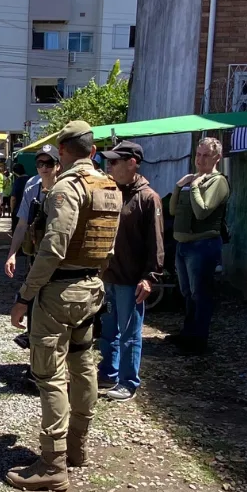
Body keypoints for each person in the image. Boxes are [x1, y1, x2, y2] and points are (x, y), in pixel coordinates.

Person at [7, 121, 121, 491]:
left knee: (50, 374)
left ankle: (53, 463)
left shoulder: (66, 189)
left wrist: (25, 295)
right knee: (83, 363)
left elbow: (52, 247)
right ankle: (77, 448)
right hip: (91, 288)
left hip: (59, 292)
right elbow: (108, 246)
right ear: (92, 148)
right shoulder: (108, 187)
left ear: (64, 150)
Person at [97, 141, 164, 402]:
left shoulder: (148, 198)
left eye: (114, 162)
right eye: (109, 162)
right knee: (108, 329)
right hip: (110, 276)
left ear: (132, 163)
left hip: (131, 279)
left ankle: (128, 381)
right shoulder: (113, 191)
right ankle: (108, 372)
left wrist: (150, 277)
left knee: (129, 333)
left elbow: (156, 243)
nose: (109, 166)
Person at [169, 137, 230, 355]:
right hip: (183, 245)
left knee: (200, 294)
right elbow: (174, 211)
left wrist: (194, 187)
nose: (200, 159)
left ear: (216, 158)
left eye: (206, 155)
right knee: (186, 293)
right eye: (198, 154)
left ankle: (198, 340)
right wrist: (179, 186)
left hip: (202, 245)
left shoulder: (218, 181)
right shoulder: (192, 179)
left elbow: (202, 211)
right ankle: (188, 333)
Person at [3, 144, 60, 349]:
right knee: (33, 301)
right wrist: (11, 254)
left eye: (49, 163)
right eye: (40, 163)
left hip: (60, 258)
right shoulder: (31, 187)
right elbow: (21, 224)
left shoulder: (66, 187)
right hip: (36, 255)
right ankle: (35, 356)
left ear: (58, 165)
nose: (44, 167)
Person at [8, 162, 29, 233]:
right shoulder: (31, 180)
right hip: (30, 210)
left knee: (17, 231)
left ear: (15, 173)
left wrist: (12, 210)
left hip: (18, 210)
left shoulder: (17, 182)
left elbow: (13, 198)